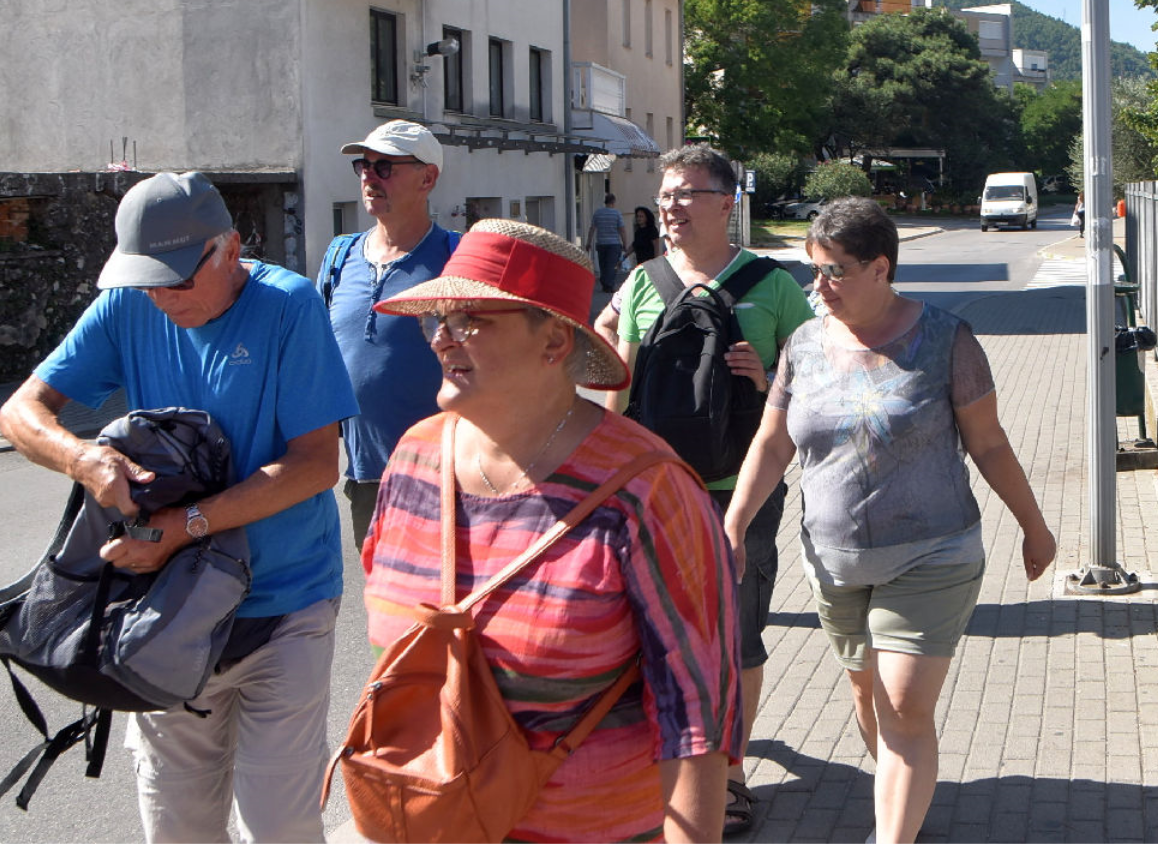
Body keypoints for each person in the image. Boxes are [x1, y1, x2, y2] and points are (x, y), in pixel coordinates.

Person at [0, 172, 352, 844]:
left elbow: (315, 464)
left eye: (179, 279)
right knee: (177, 827)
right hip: (168, 612)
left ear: (230, 248)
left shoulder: (287, 306)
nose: (162, 296)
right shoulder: (127, 307)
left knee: (279, 825)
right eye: (147, 281)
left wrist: (184, 527)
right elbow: (20, 412)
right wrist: (83, 459)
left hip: (284, 603)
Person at [364, 219, 738, 844]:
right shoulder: (414, 457)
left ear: (555, 341)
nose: (442, 339)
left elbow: (696, 713)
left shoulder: (648, 489)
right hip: (425, 822)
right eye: (438, 320)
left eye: (471, 320)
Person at [723, 197, 1058, 844]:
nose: (820, 286)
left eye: (835, 271)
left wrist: (1034, 526)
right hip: (833, 562)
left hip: (932, 553)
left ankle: (894, 831)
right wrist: (735, 522)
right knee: (867, 695)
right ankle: (903, 796)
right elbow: (771, 442)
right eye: (814, 269)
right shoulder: (804, 345)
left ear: (881, 268)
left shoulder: (946, 340)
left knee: (902, 703)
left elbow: (990, 444)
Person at [594, 145, 812, 837]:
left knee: (738, 632)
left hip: (739, 488)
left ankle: (732, 774)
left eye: (686, 193)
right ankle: (662, 765)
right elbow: (615, 383)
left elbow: (815, 380)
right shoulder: (642, 281)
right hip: (650, 490)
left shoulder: (772, 285)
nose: (670, 206)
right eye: (665, 194)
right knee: (644, 632)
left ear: (726, 203)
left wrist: (767, 376)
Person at [318, 119, 457, 550]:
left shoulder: (456, 257)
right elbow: (319, 356)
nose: (369, 177)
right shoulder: (340, 255)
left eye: (384, 167)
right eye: (364, 166)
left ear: (427, 178)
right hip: (366, 476)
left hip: (443, 474)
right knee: (381, 589)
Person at [586, 192, 627, 292]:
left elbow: (592, 228)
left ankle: (605, 282)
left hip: (601, 243)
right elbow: (622, 230)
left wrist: (588, 242)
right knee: (612, 265)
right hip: (614, 244)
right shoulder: (617, 214)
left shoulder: (598, 213)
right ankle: (609, 284)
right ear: (613, 202)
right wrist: (625, 243)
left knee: (603, 264)